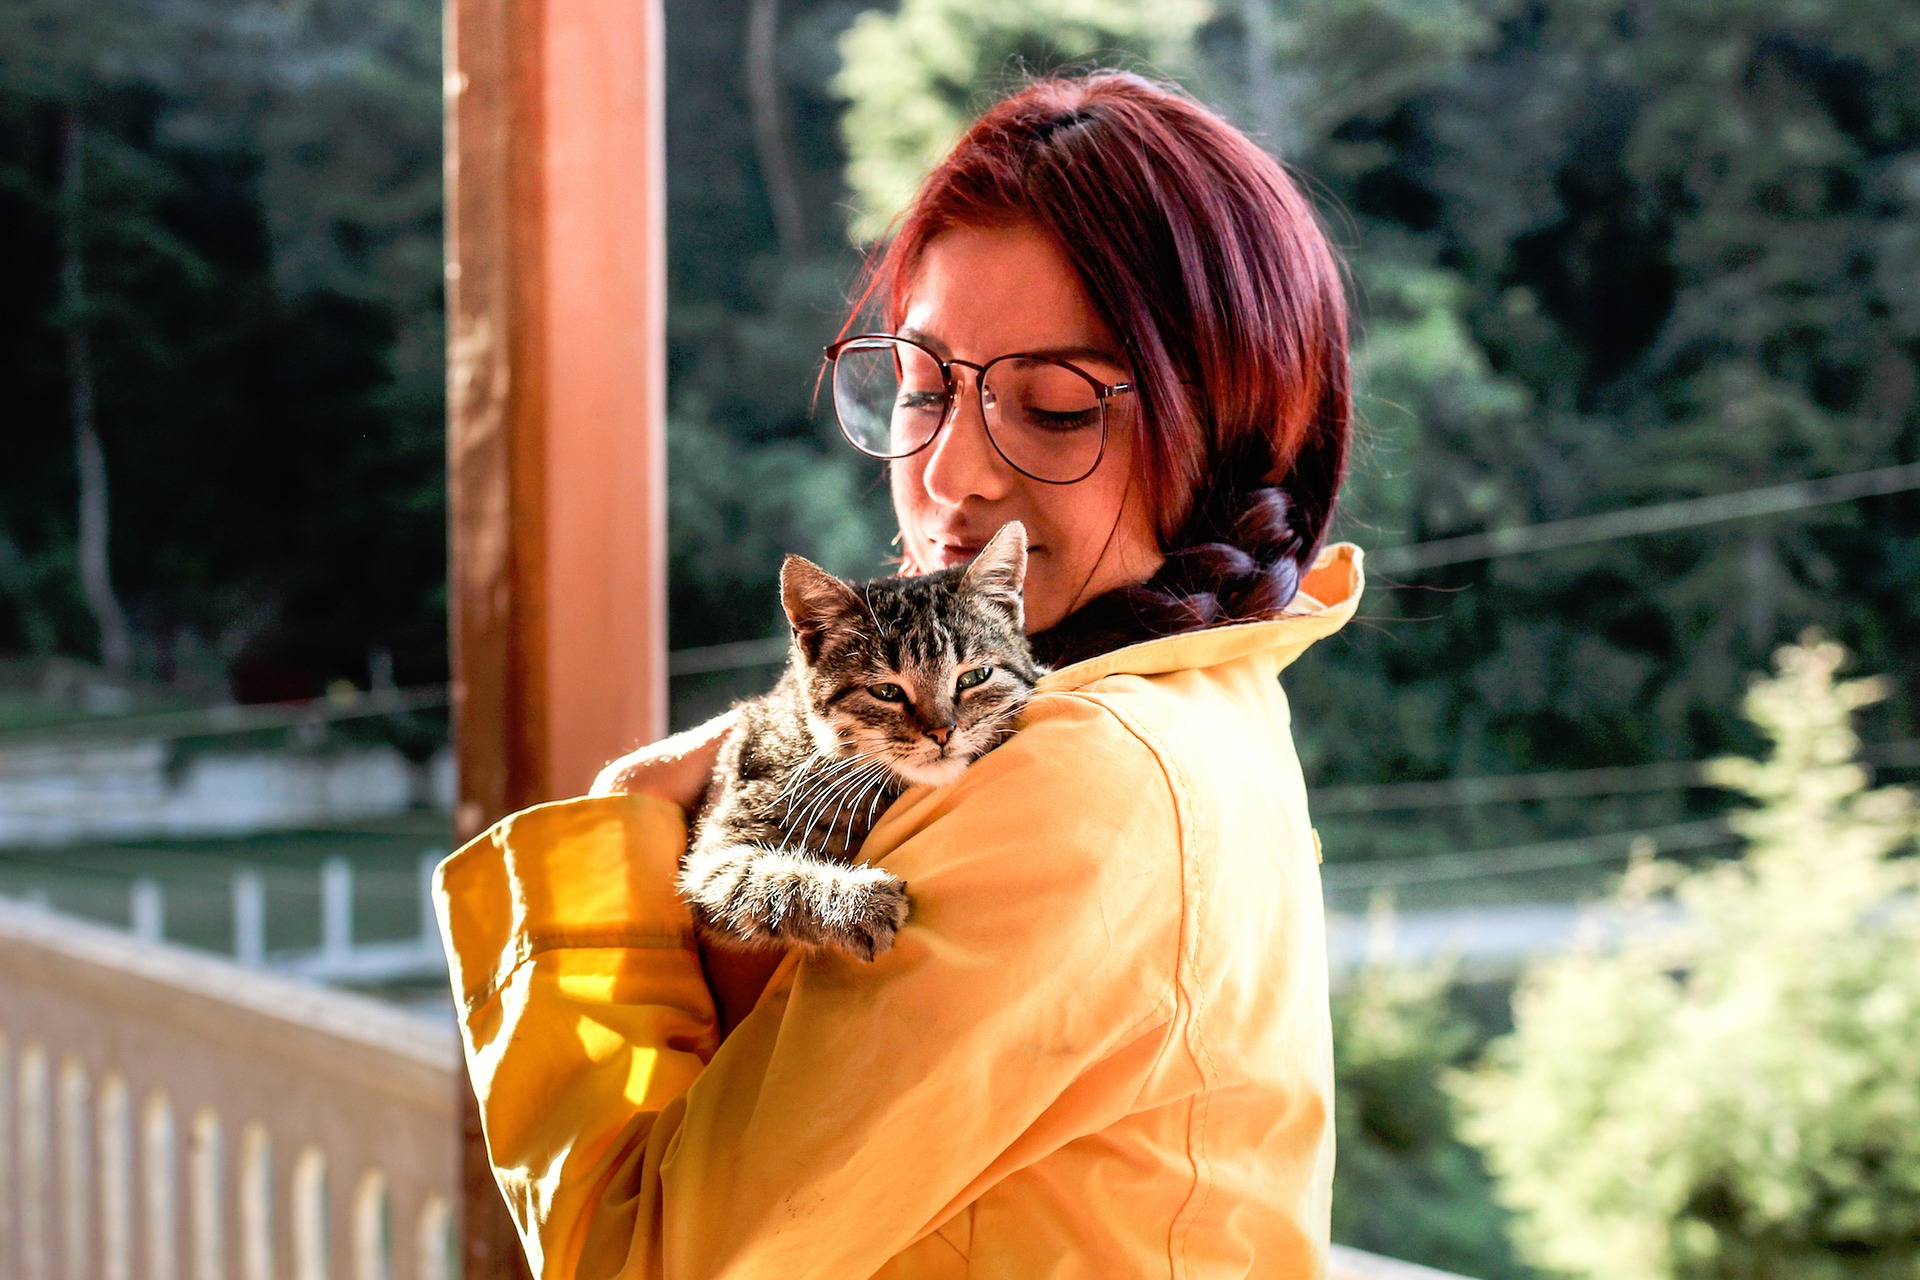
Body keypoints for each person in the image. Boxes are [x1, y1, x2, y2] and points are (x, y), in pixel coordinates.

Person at [436, 70, 1362, 1278]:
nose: (950, 476)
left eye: (1055, 408)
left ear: (1227, 429)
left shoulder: (1084, 775)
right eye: (924, 389)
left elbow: (644, 1256)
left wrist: (619, 827)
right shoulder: (1209, 693)